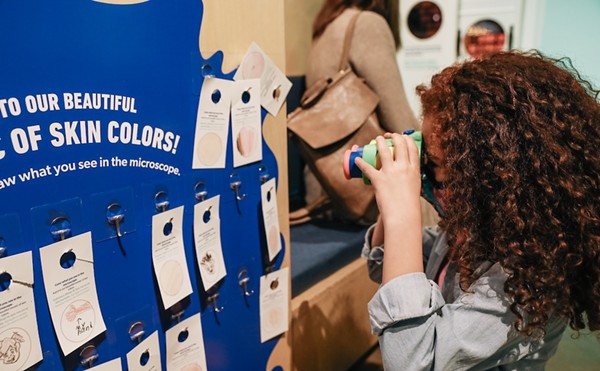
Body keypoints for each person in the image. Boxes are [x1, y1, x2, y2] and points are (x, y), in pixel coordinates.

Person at [356, 50, 600, 370]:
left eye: (440, 164)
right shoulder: (470, 232)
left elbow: (411, 361)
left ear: (495, 178)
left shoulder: (527, 280)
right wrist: (393, 198)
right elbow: (384, 267)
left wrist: (402, 211)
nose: (431, 175)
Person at [300, 0, 439, 225]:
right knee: (448, 215)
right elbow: (400, 119)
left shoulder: (327, 24)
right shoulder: (367, 23)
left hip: (323, 189)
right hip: (359, 188)